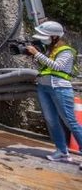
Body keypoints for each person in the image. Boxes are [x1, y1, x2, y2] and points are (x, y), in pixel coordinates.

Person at [25, 20, 81, 169]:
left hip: (60, 89)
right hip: (44, 87)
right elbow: (46, 67)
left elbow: (57, 66)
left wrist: (37, 54)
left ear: (55, 36)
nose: (43, 38)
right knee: (51, 121)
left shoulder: (66, 51)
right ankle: (61, 151)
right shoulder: (49, 50)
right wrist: (36, 56)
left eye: (46, 36)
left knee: (70, 122)